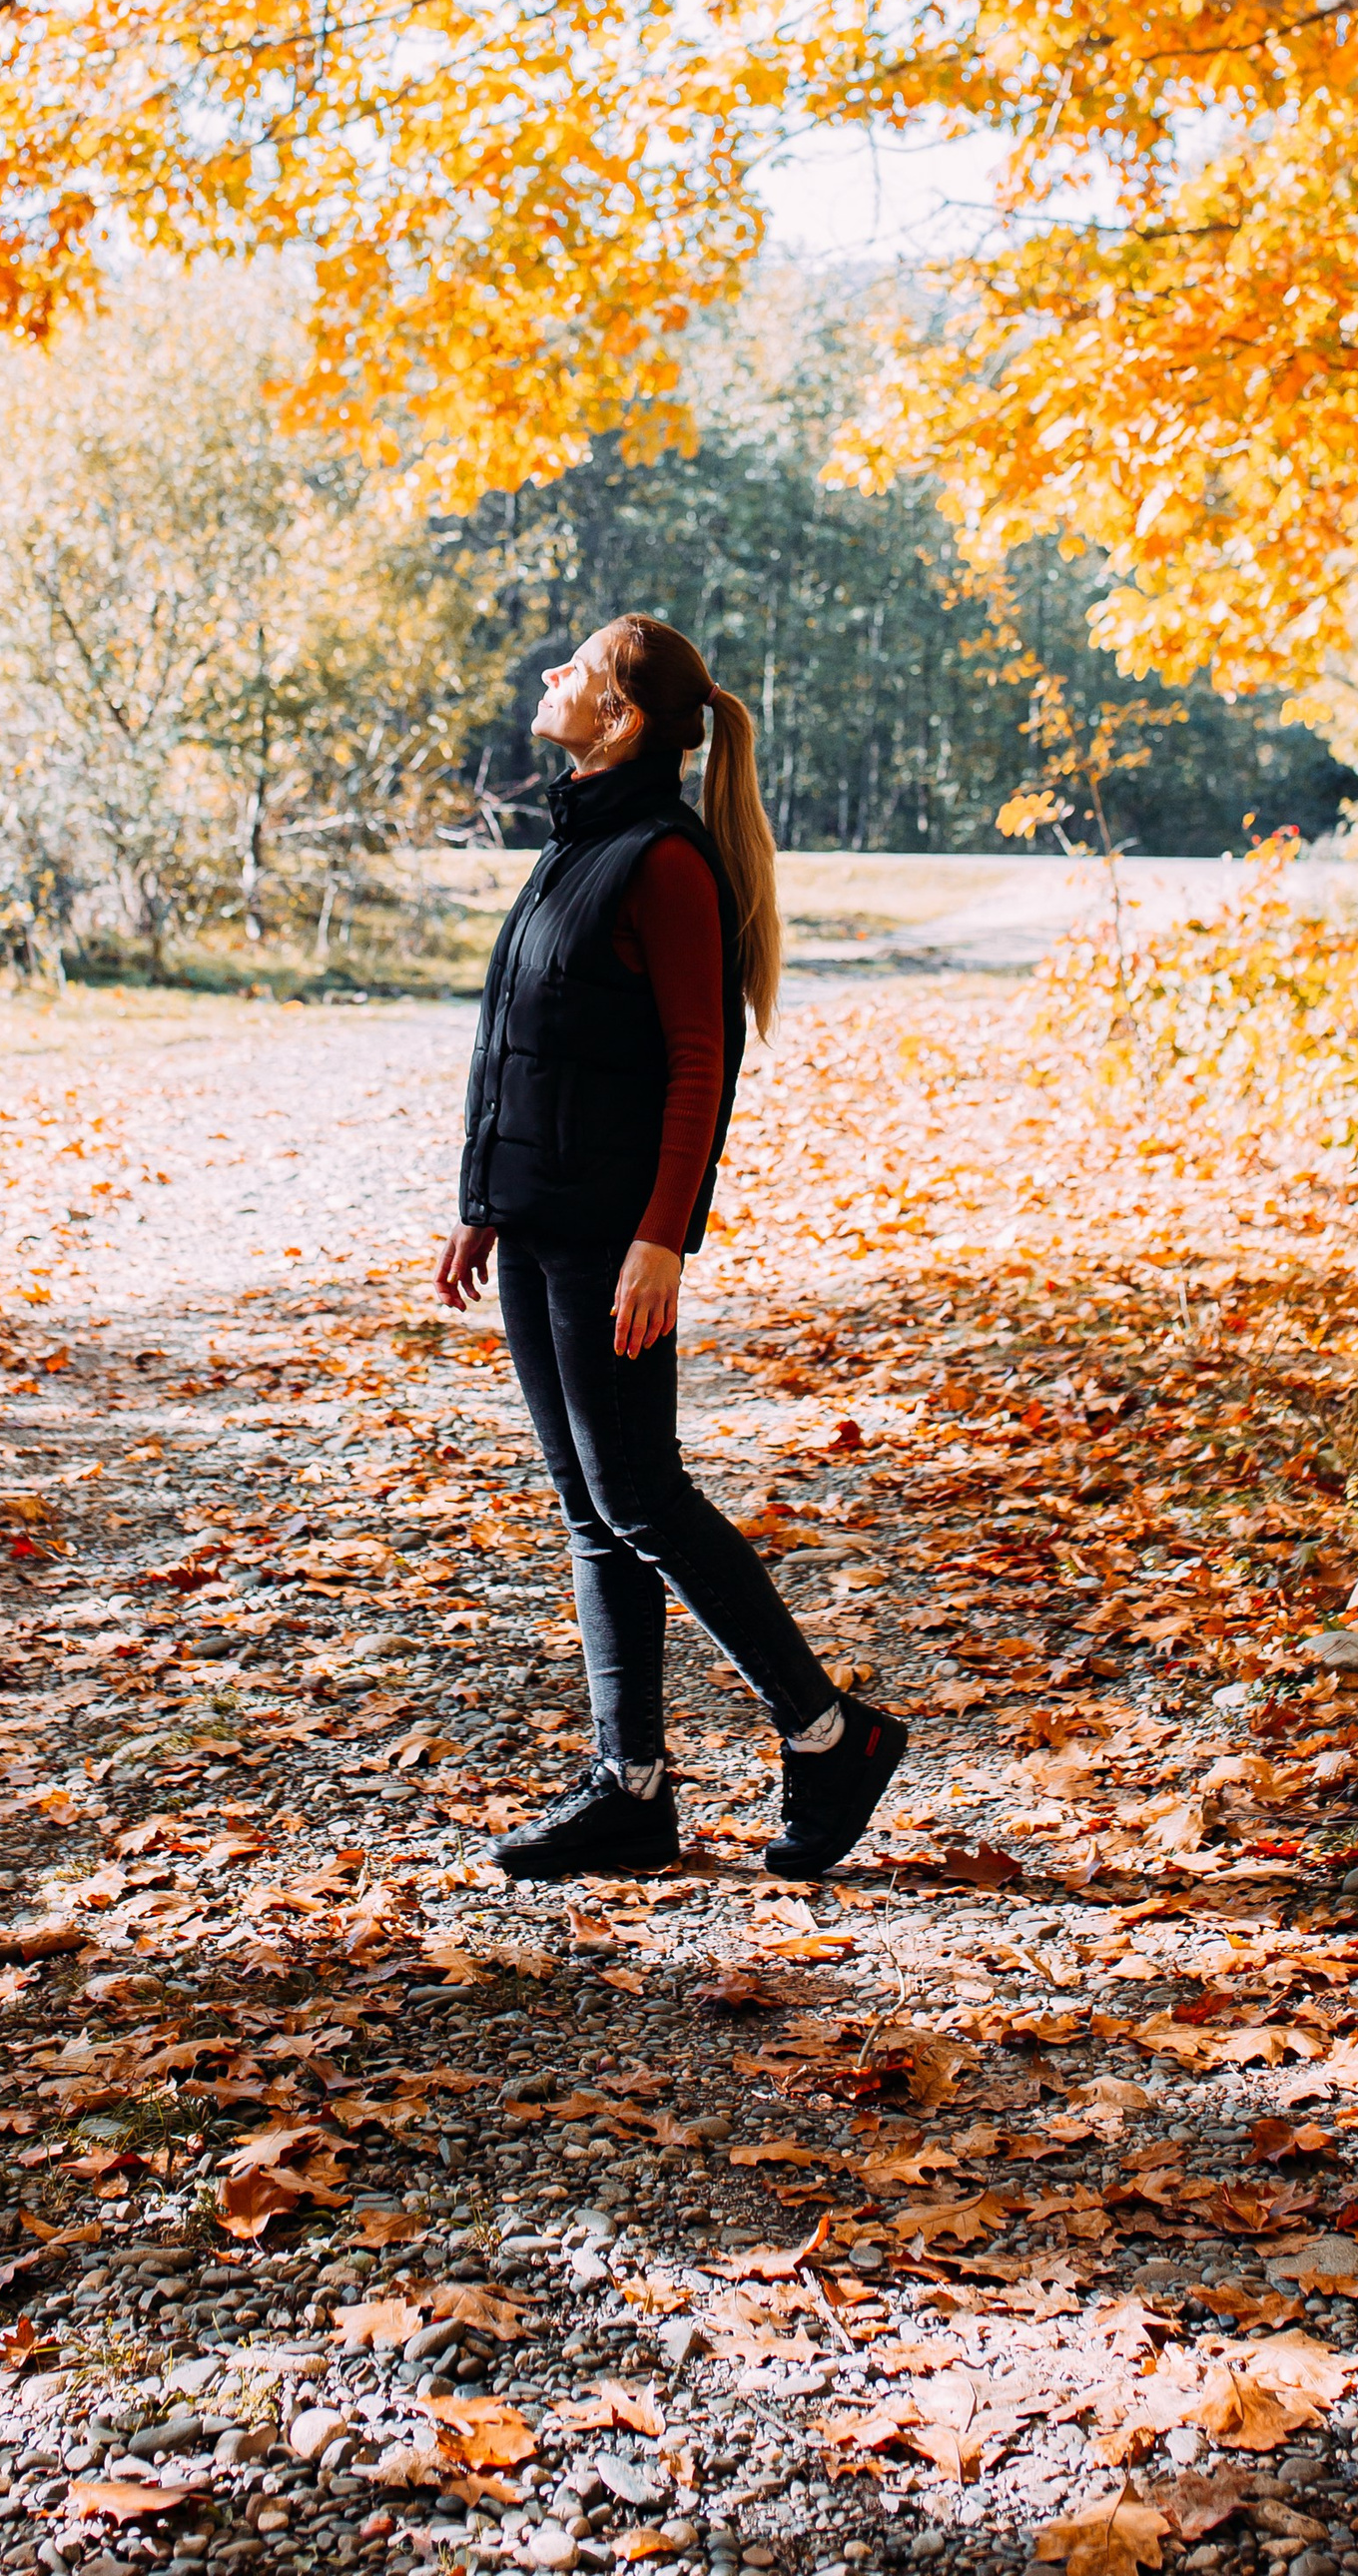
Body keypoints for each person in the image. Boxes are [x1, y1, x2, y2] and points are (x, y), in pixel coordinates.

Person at [434, 613, 909, 1881]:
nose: (551, 678)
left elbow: (702, 1061)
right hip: (539, 1219)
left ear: (624, 715)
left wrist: (663, 1238)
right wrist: (486, 1197)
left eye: (574, 670)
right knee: (593, 1508)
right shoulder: (581, 837)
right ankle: (630, 1788)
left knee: (638, 1492)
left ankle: (829, 1733)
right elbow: (527, 1038)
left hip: (609, 1235)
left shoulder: (662, 860)